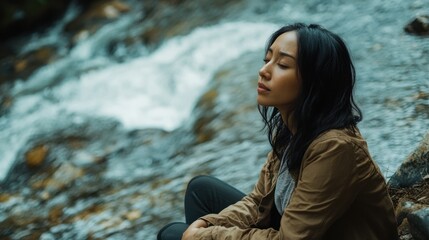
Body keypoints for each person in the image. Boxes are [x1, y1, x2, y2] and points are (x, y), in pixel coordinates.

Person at [157, 23, 399, 240]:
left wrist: (208, 236)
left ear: (315, 81)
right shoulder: (293, 130)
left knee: (173, 235)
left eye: (282, 64)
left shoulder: (335, 147)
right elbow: (257, 202)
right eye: (267, 60)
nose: (265, 71)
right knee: (201, 191)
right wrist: (206, 224)